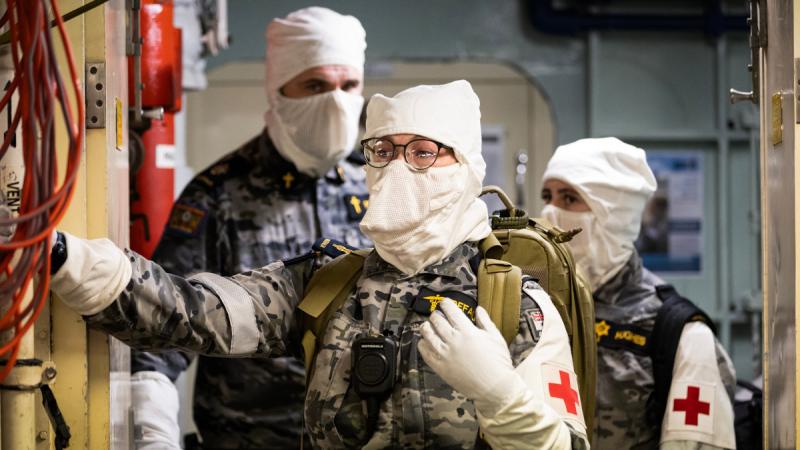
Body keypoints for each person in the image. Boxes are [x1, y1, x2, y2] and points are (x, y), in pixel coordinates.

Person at [50, 80, 589, 449]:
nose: (399, 166)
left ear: (466, 166)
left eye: (423, 151)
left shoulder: (514, 304)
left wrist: (501, 396)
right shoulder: (327, 284)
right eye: (383, 149)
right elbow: (198, 312)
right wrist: (64, 258)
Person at [130, 6, 372, 449]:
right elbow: (159, 327)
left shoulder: (386, 187)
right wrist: (152, 428)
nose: (336, 100)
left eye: (348, 86)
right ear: (279, 90)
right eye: (316, 85)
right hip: (250, 438)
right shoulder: (217, 196)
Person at [539, 137, 736, 449]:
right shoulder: (538, 307)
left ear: (613, 217)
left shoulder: (679, 332)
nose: (550, 212)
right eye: (547, 196)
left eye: (569, 198)